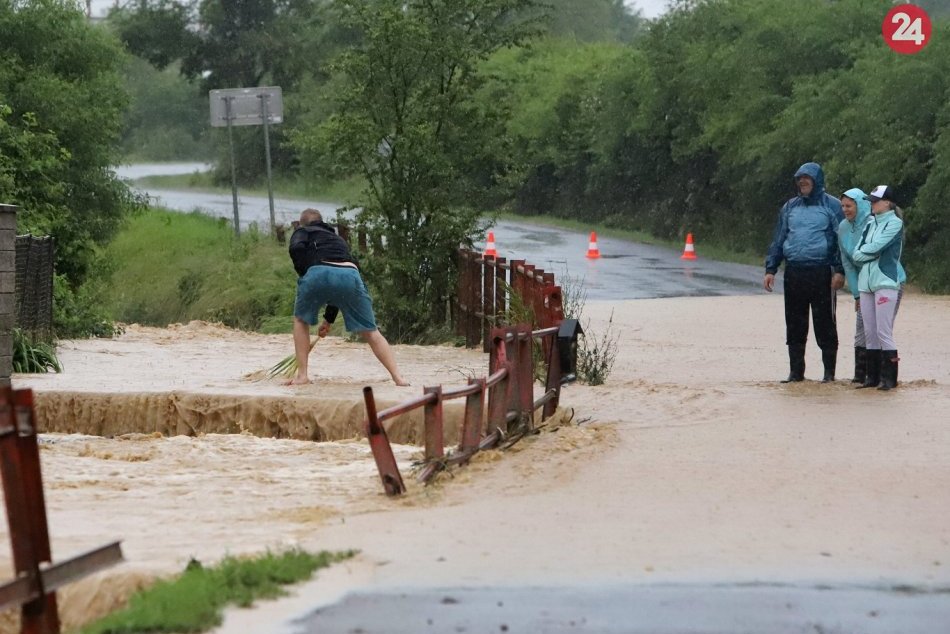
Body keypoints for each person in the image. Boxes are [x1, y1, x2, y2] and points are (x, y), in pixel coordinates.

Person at [287, 208, 409, 386]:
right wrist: (328, 320)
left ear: (302, 223)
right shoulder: (337, 239)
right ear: (322, 222)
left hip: (317, 272)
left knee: (300, 320)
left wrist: (305, 272)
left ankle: (302, 376)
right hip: (350, 274)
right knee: (371, 331)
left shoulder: (303, 231)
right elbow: (340, 280)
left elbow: (296, 248)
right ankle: (398, 378)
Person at [764, 162, 845, 382]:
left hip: (822, 272)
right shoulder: (789, 207)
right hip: (794, 272)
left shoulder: (832, 205)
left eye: (806, 178)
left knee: (825, 324)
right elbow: (779, 238)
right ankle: (796, 373)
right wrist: (771, 268)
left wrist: (839, 270)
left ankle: (829, 374)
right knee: (794, 324)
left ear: (816, 181)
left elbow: (842, 240)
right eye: (799, 179)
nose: (802, 182)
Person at [852, 185, 905, 391]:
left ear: (887, 203)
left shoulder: (895, 223)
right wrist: (869, 253)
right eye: (871, 201)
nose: (872, 204)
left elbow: (878, 247)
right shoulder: (869, 223)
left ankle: (889, 379)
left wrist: (867, 253)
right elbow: (857, 253)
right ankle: (872, 378)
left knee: (884, 331)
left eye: (875, 201)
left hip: (885, 282)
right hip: (865, 283)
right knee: (869, 332)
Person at [837, 188, 873, 383]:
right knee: (860, 328)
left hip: (880, 281)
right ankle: (860, 376)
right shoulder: (842, 227)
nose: (845, 210)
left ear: (860, 205)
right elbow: (847, 263)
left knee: (877, 329)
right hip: (861, 285)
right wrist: (857, 294)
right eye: (842, 206)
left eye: (849, 206)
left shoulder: (873, 223)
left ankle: (879, 376)